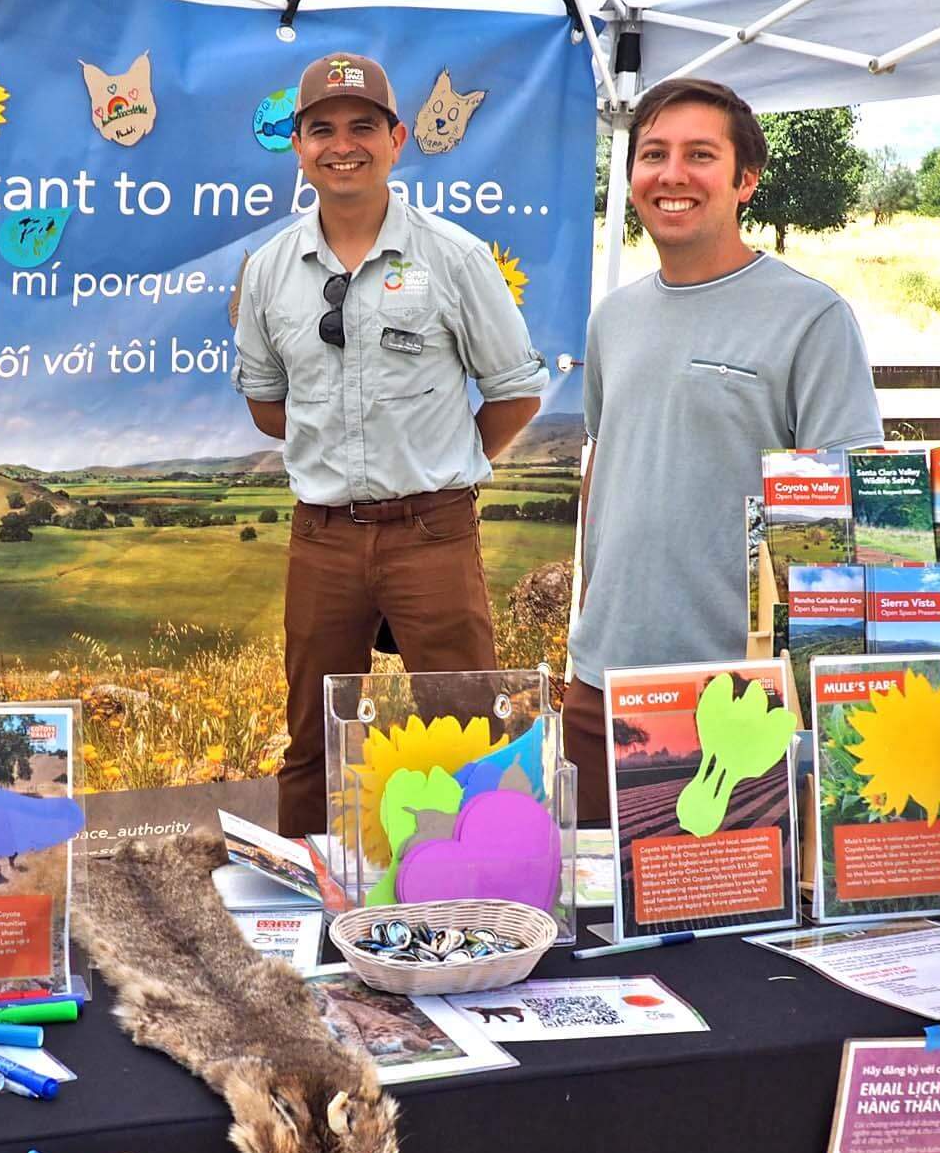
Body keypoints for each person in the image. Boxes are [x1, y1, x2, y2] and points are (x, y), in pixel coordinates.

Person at [233, 51, 547, 836]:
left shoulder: (454, 257)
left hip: (433, 534)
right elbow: (269, 408)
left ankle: (492, 893)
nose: (345, 145)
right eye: (323, 130)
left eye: (363, 127)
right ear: (298, 147)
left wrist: (442, 467)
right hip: (324, 539)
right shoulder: (269, 271)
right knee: (314, 740)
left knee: (472, 730)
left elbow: (515, 391)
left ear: (397, 138)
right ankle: (310, 915)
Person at [566, 78, 882, 820]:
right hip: (599, 681)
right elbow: (606, 468)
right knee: (589, 920)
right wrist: (586, 622)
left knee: (720, 925)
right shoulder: (613, 318)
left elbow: (855, 514)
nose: (671, 174)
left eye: (699, 155)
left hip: (733, 703)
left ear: (746, 180)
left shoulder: (812, 317)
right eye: (653, 154)